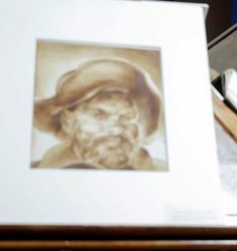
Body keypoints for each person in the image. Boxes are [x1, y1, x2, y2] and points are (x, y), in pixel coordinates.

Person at [32, 58, 165, 171]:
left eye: (127, 117)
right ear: (67, 121)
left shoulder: (158, 170)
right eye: (99, 115)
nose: (117, 129)